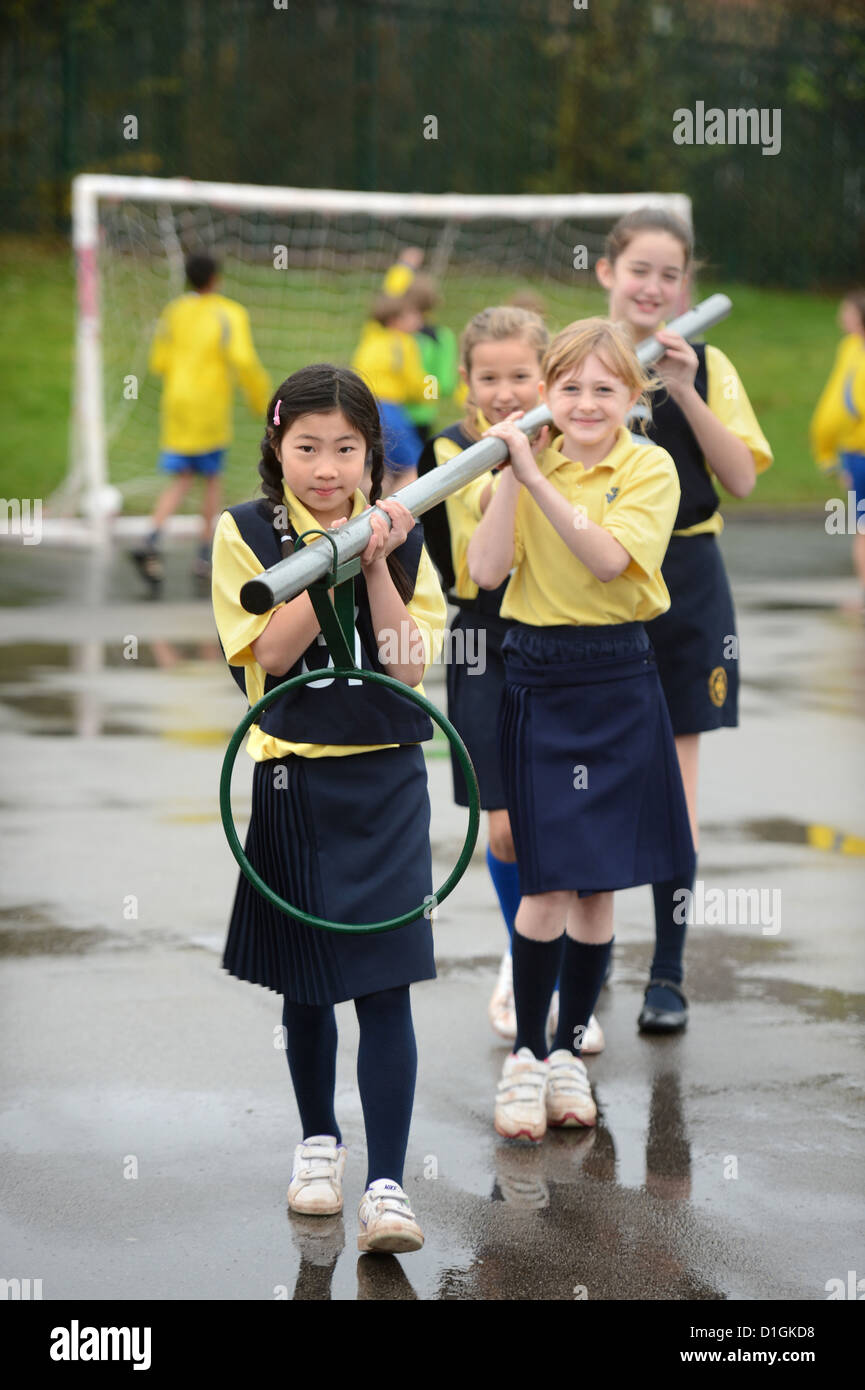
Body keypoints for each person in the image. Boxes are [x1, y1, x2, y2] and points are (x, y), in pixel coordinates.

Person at [210, 364, 447, 1252]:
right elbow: (270, 651)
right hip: (293, 778)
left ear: (370, 452)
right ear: (278, 446)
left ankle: (388, 1185)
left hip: (385, 780)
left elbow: (407, 665)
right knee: (309, 987)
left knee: (386, 984)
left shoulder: (405, 531)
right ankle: (319, 1146)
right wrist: (328, 561)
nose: (326, 466)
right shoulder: (245, 532)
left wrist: (375, 560)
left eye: (346, 448)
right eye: (306, 447)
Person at [467, 318, 694, 1140]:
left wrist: (538, 480)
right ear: (545, 396)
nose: (586, 403)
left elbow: (605, 561)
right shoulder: (531, 464)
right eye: (568, 388)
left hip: (619, 677)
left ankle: (567, 1052)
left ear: (634, 398)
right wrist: (509, 479)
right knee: (545, 883)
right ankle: (525, 1058)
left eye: (604, 388)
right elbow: (486, 574)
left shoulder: (649, 466)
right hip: (539, 676)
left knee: (598, 886)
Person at [595, 207, 772, 1033]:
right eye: (641, 270)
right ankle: (580, 965)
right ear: (607, 271)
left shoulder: (705, 362)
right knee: (586, 776)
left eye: (671, 274)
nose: (655, 287)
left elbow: (739, 477)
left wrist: (683, 391)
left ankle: (665, 975)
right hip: (595, 584)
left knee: (674, 786)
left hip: (689, 580)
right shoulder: (580, 363)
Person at [415, 306, 604, 1054]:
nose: (503, 390)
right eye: (487, 376)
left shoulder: (579, 440)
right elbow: (471, 566)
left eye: (519, 375)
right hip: (482, 640)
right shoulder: (449, 448)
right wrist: (507, 466)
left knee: (575, 820)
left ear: (546, 376)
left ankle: (566, 971)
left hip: (558, 635)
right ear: (466, 380)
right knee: (503, 826)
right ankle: (519, 954)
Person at [131, 253, 271, 598]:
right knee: (212, 480)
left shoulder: (174, 311)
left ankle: (151, 538)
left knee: (181, 478)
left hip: (176, 405)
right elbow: (243, 359)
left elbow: (159, 361)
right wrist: (260, 400)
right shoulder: (229, 313)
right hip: (208, 408)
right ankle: (203, 556)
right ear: (216, 278)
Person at [810, 290, 865, 599]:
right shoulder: (850, 348)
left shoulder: (853, 350)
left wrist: (827, 452)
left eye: (846, 312)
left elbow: (837, 409)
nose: (840, 317)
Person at [350, 292, 427, 494]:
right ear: (395, 321)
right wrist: (431, 391)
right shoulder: (404, 342)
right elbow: (414, 382)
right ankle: (396, 514)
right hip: (389, 410)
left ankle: (360, 513)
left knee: (376, 468)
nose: (418, 319)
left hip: (363, 407)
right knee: (417, 465)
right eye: (412, 315)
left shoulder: (370, 338)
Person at [382, 250, 459, 443]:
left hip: (392, 409)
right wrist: (427, 395)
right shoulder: (442, 337)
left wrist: (418, 392)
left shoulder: (394, 333)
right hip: (419, 415)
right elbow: (446, 383)